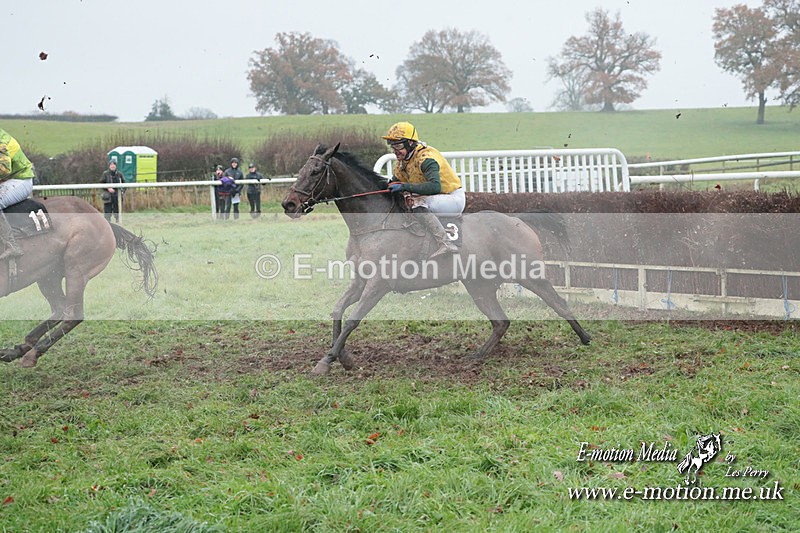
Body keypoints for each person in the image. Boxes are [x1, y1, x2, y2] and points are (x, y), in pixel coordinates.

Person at [383, 121, 465, 257]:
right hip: (434, 198)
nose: (395, 150)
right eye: (392, 146)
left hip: (452, 198)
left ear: (410, 143)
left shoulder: (426, 158)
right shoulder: (402, 162)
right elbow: (393, 183)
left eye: (398, 145)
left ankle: (445, 243)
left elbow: (435, 187)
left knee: (417, 203)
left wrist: (404, 186)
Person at [0, 128, 35, 260]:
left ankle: (12, 245)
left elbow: (4, 168)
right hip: (7, 180)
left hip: (21, 180)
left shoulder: (1, 140)